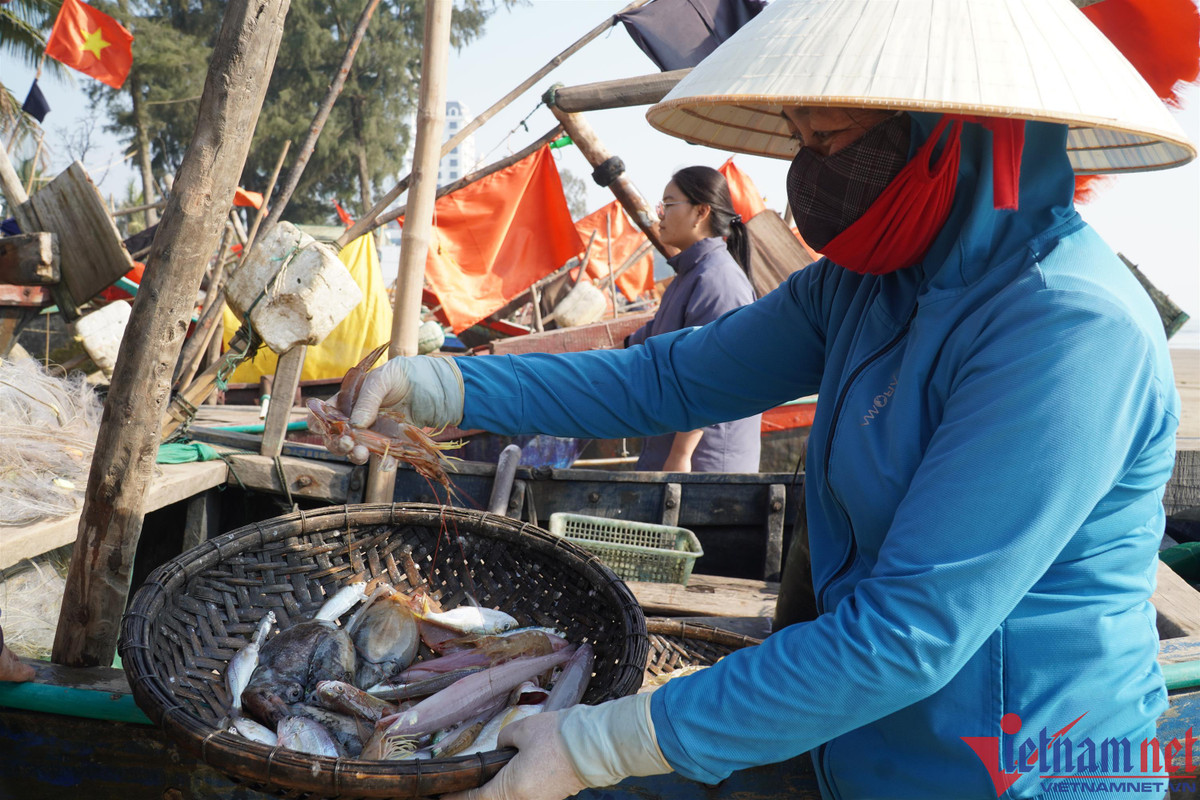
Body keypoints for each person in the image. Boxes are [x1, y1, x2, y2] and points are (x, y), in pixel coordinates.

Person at [333, 1, 1195, 798]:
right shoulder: (862, 287)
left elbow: (909, 634)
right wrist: (447, 384)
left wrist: (601, 745)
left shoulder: (1065, 328)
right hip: (851, 742)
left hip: (1018, 769)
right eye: (801, 140)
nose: (810, 175)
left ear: (948, 134)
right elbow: (664, 378)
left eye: (835, 140)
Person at [627, 165, 760, 472]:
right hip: (671, 453)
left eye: (668, 204)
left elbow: (714, 375)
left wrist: (680, 455)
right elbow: (655, 337)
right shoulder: (690, 275)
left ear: (701, 212)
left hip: (703, 465)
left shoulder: (718, 280)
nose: (659, 214)